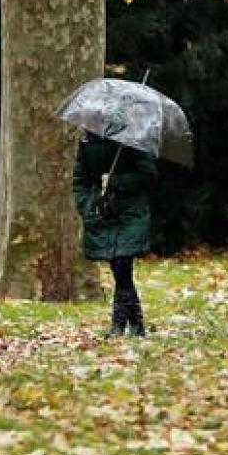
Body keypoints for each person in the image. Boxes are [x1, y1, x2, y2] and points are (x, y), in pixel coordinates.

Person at [72, 128, 157, 336]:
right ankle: (136, 324)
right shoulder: (87, 141)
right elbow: (80, 180)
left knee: (122, 262)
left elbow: (148, 174)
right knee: (118, 268)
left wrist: (115, 182)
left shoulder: (134, 138)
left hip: (130, 213)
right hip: (102, 212)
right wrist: (87, 205)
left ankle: (118, 324)